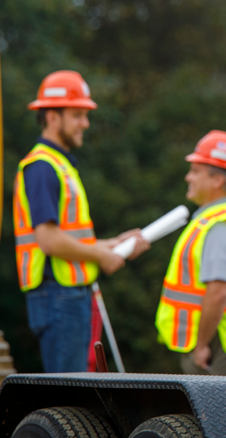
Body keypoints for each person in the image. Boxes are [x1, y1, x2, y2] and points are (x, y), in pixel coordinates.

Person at [13, 70, 150, 373]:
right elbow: (48, 240)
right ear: (51, 117)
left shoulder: (59, 165)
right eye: (77, 115)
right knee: (70, 400)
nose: (85, 123)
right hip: (58, 296)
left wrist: (114, 244)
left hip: (66, 296)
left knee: (78, 395)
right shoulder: (42, 168)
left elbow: (69, 236)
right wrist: (102, 255)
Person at [155, 130, 226, 376]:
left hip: (216, 345)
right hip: (217, 341)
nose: (188, 177)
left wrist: (201, 344)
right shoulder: (214, 218)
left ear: (217, 181)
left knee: (218, 415)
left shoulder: (220, 224)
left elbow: (218, 293)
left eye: (195, 171)